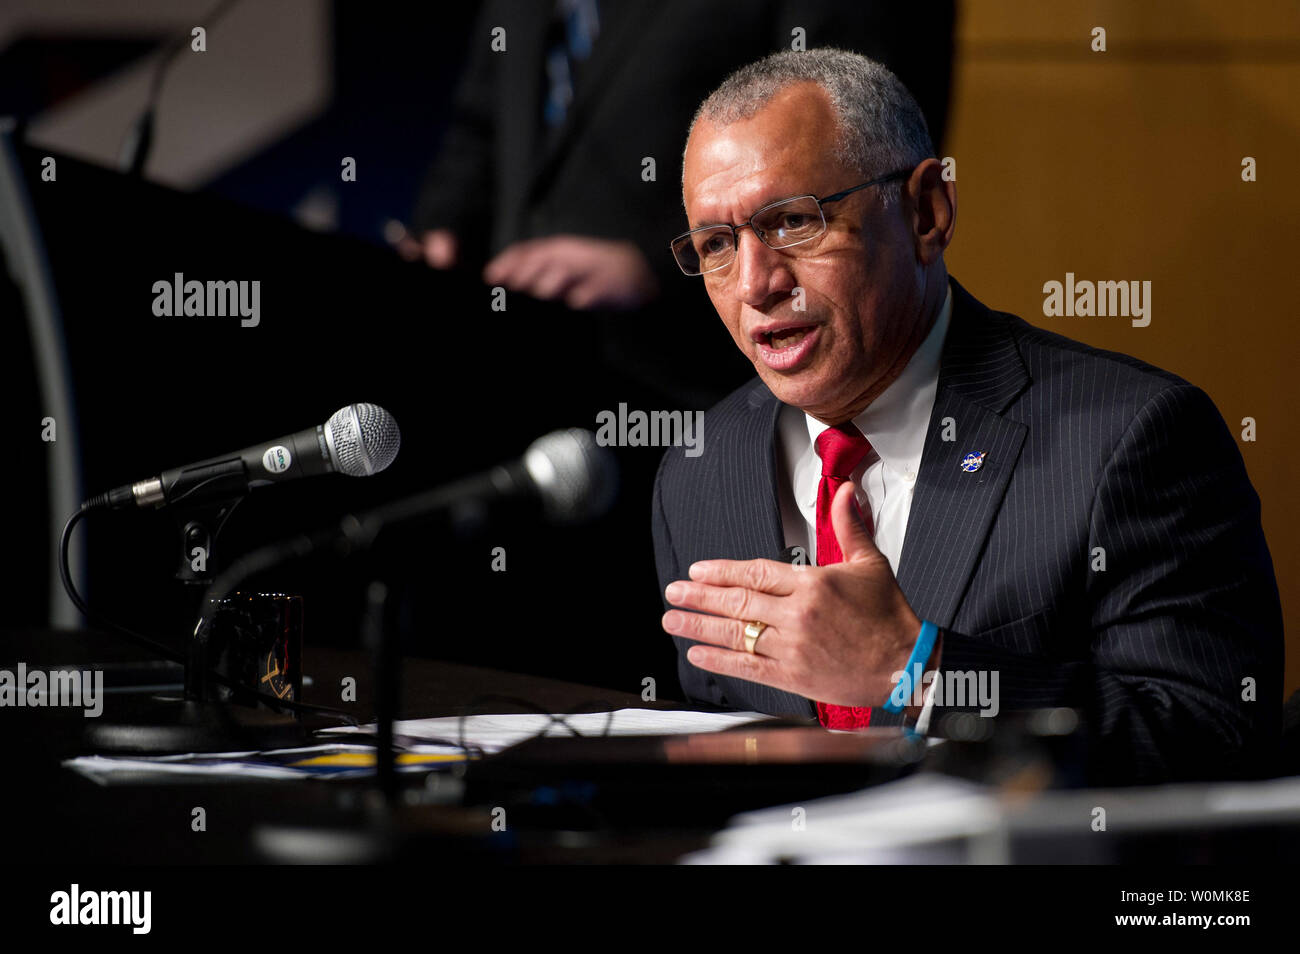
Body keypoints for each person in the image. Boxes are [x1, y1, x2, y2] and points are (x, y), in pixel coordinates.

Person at [651, 48, 1283, 785]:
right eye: (717, 246)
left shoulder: (1131, 438)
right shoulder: (700, 469)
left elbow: (1215, 739)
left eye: (793, 221)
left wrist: (917, 671)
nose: (756, 283)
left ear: (926, 211)